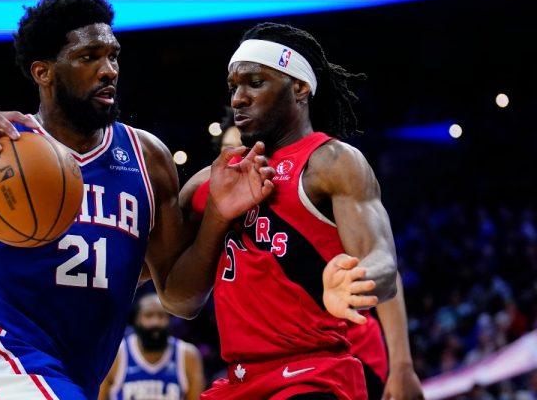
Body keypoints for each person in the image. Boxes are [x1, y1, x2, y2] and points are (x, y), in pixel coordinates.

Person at [0, 0, 273, 400]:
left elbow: (180, 298)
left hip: (67, 381)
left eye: (113, 55)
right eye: (89, 57)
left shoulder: (148, 158)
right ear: (43, 72)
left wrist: (217, 215)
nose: (108, 69)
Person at [178, 22, 401, 399]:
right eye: (234, 87)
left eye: (254, 82)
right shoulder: (209, 181)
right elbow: (156, 261)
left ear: (299, 88)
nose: (238, 99)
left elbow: (384, 263)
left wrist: (351, 282)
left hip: (311, 374)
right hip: (239, 381)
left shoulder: (330, 161)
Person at [215, 110, 423, 400]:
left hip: (345, 350)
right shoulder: (221, 207)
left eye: (249, 149)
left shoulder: (309, 181)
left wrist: (401, 365)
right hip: (268, 367)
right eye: (231, 151)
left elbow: (383, 273)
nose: (243, 159)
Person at [98, 292, 205, 400]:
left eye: (161, 315)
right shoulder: (116, 353)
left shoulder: (187, 355)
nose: (155, 322)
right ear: (137, 320)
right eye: (149, 315)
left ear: (169, 320)